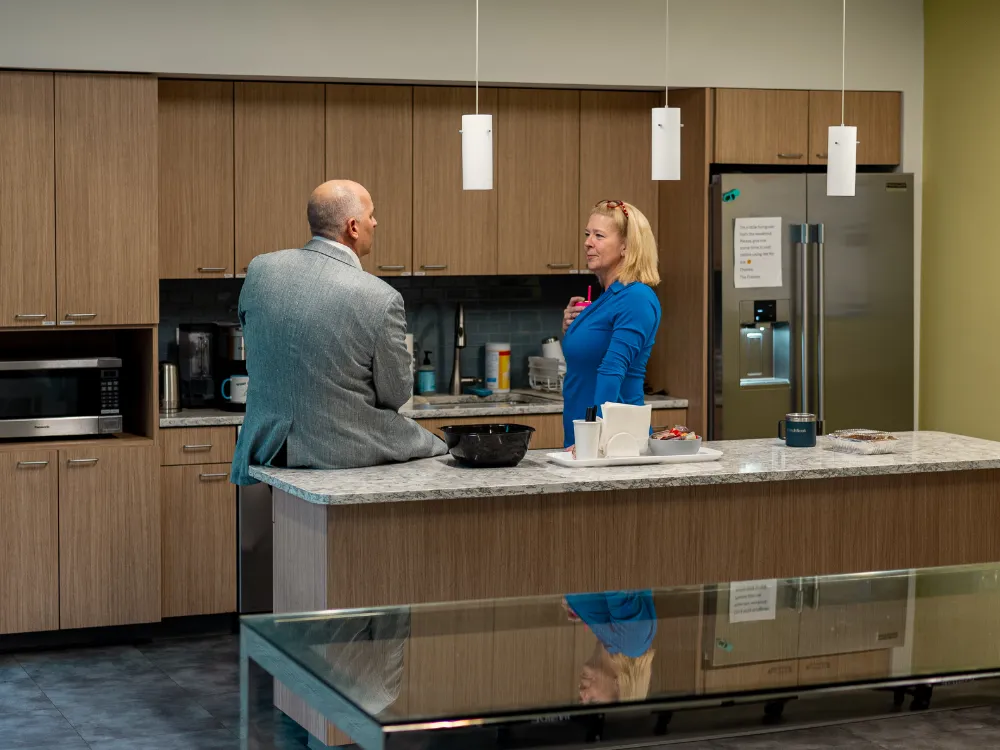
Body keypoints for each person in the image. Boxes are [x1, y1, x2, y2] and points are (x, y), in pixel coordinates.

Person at [231, 179, 446, 484]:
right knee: (443, 451)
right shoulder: (380, 297)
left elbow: (256, 341)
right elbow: (396, 394)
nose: (376, 222)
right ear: (353, 227)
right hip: (343, 450)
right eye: (371, 214)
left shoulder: (260, 270)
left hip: (265, 447)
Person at [560, 200, 662, 448]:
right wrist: (573, 329)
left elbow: (612, 371)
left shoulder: (636, 298)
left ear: (626, 246)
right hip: (585, 440)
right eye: (587, 234)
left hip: (615, 442)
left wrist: (595, 440)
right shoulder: (608, 299)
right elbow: (588, 361)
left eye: (599, 235)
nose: (588, 242)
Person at [564, 590, 658, 704]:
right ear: (619, 687)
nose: (582, 693)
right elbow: (616, 582)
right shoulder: (631, 641)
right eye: (594, 701)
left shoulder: (615, 639)